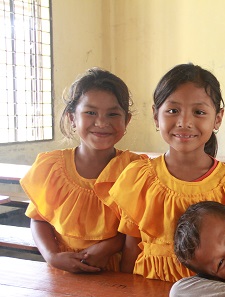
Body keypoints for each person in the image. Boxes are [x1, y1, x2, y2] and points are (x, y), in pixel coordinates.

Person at [109, 63, 225, 282]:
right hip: (148, 291)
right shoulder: (139, 178)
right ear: (156, 116)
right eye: (173, 111)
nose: (184, 122)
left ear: (217, 118)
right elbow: (131, 249)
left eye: (199, 112)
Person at [20, 68, 144, 273]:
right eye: (90, 112)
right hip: (64, 270)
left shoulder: (135, 170)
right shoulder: (52, 168)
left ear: (126, 120)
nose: (102, 122)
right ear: (72, 118)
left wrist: (109, 246)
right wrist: (52, 257)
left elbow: (138, 227)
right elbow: (38, 219)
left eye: (113, 114)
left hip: (116, 272)